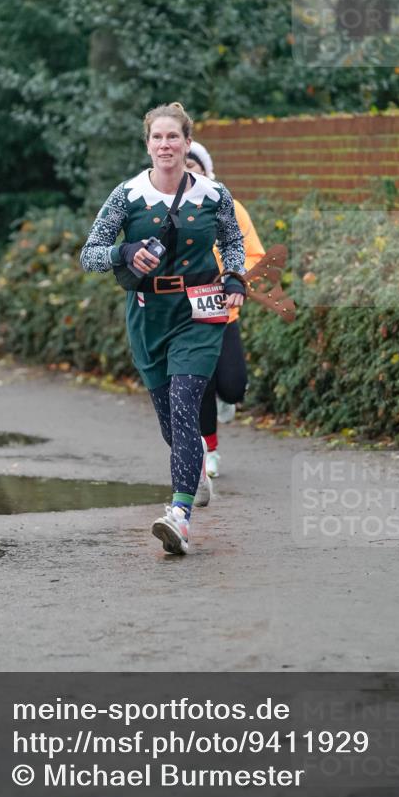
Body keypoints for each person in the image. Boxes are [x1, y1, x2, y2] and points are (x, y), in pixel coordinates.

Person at [80, 103, 245, 555]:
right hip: (148, 314)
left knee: (185, 403)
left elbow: (233, 241)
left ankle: (179, 516)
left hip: (198, 311)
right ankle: (193, 469)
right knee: (172, 424)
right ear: (148, 144)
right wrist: (124, 252)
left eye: (174, 137)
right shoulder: (127, 195)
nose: (165, 144)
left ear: (188, 143)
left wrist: (234, 277)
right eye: (158, 137)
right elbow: (89, 254)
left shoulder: (214, 194)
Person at [186, 141, 265, 480]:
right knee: (201, 382)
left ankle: (227, 399)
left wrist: (233, 280)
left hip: (223, 310)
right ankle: (210, 450)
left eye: (194, 167)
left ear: (206, 172)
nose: (187, 173)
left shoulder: (228, 207)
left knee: (233, 386)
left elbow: (254, 253)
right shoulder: (165, 210)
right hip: (187, 315)